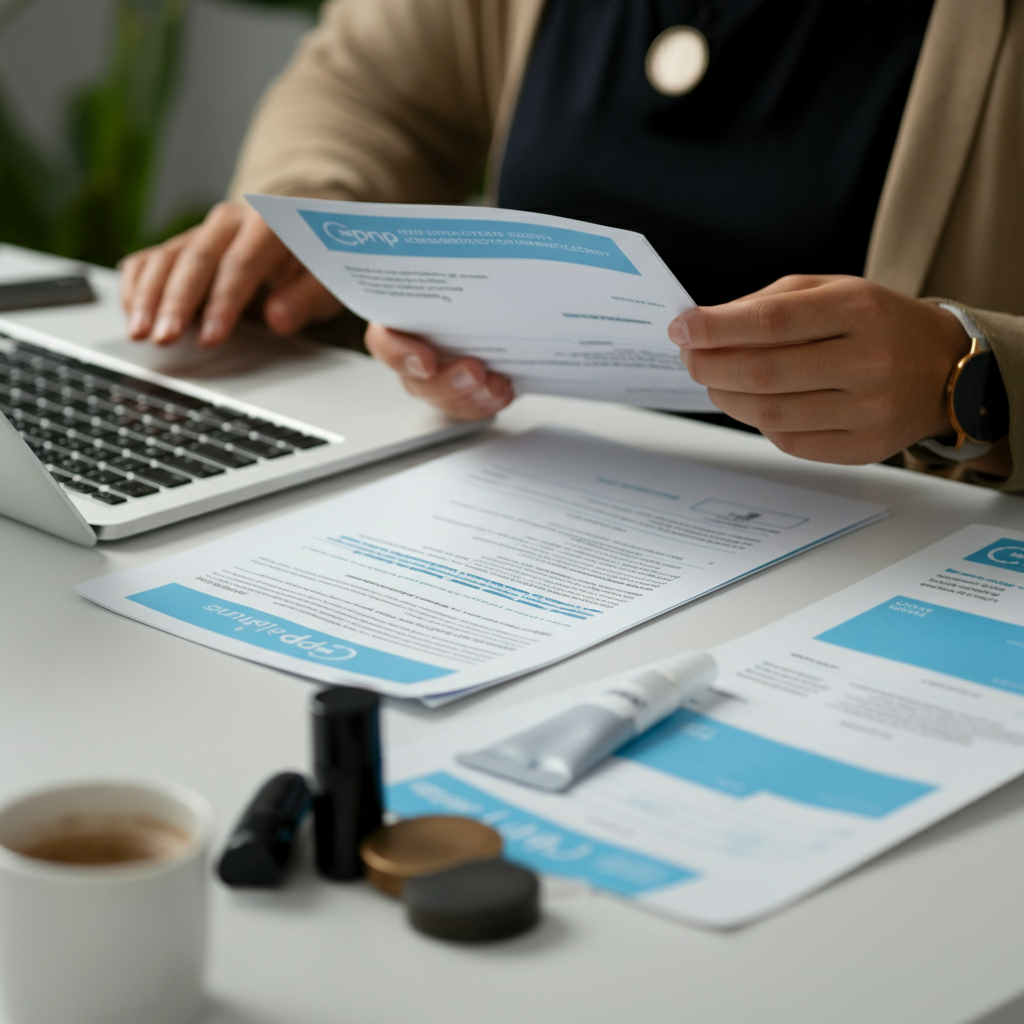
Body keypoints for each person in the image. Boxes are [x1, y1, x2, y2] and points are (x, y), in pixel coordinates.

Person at [120, 0, 1023, 489]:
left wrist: (960, 375)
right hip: (540, 501)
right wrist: (328, 221)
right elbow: (368, 88)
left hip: (885, 562)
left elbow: (970, 376)